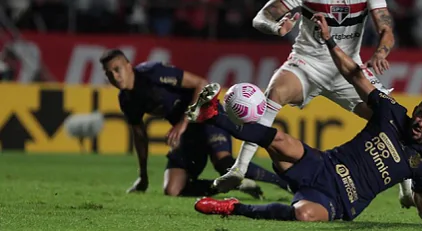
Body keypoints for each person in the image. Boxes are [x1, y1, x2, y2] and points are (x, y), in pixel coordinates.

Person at [191, 13, 422, 224]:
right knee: (279, 138)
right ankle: (213, 114)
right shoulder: (391, 111)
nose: (421, 123)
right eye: (421, 115)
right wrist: (330, 42)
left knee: (304, 216)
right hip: (322, 164)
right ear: (415, 111)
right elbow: (354, 74)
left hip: (343, 200)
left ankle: (234, 208)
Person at [214, 0, 415, 205]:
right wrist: (275, 27)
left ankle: (406, 188)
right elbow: (260, 17)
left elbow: (386, 27)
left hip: (346, 68)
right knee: (274, 92)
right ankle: (239, 169)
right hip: (307, 63)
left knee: (392, 118)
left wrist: (381, 51)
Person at [99, 49, 288, 198]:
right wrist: (143, 176)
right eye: (109, 74)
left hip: (208, 118)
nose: (115, 77)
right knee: (173, 189)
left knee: (224, 164)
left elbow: (201, 84)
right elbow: (139, 137)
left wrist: (183, 122)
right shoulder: (126, 100)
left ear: (129, 65)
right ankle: (232, 185)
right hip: (187, 133)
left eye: (117, 69)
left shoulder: (153, 72)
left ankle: (283, 181)